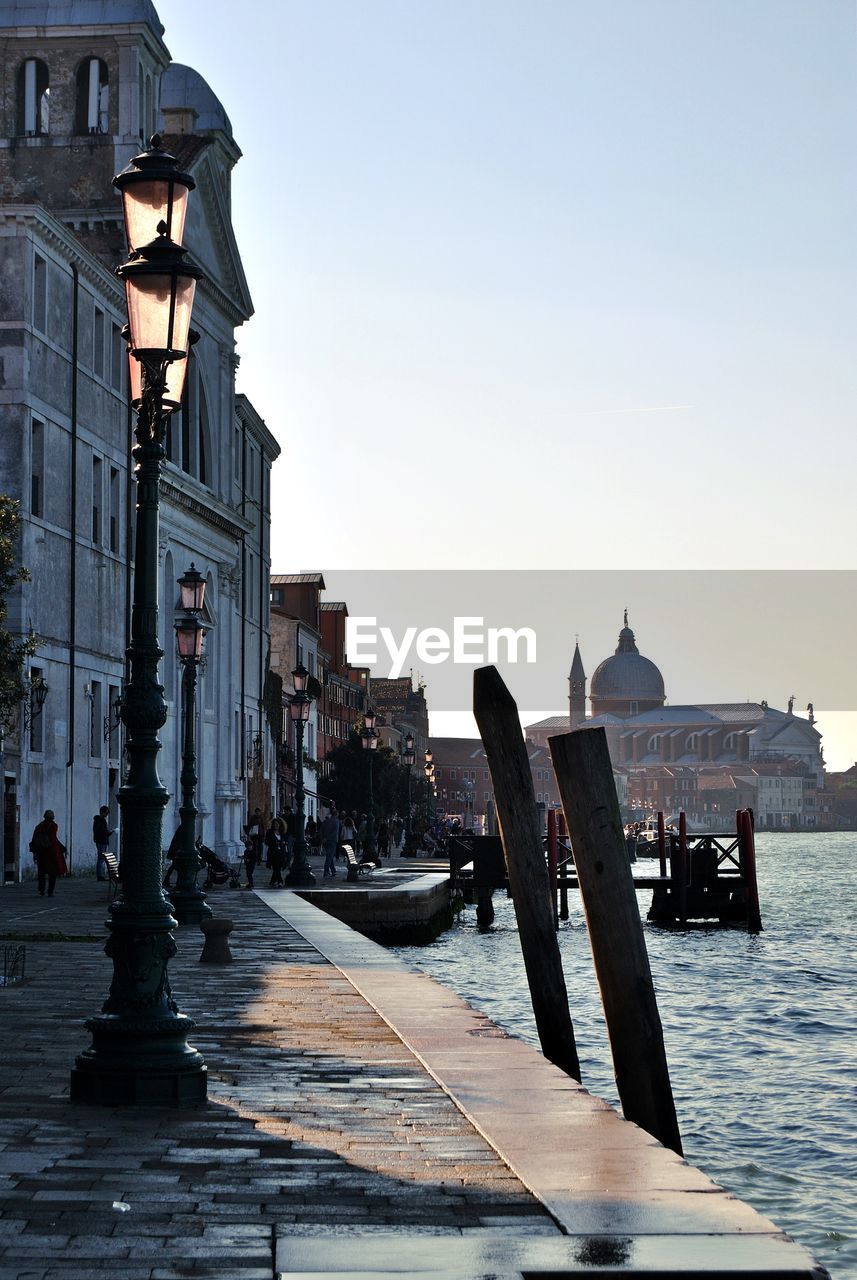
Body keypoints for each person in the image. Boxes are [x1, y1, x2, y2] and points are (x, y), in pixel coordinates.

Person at [29, 809, 67, 897]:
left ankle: (41, 889)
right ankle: (50, 891)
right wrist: (60, 848)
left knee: (41, 872)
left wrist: (35, 851)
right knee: (52, 873)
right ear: (52, 817)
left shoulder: (39, 826)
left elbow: (34, 839)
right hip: (50, 852)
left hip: (41, 852)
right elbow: (53, 839)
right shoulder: (53, 826)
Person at [265, 818, 288, 887]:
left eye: (277, 824)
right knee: (276, 867)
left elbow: (285, 842)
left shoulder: (282, 833)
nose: (276, 826)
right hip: (273, 852)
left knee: (277, 868)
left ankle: (272, 881)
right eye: (274, 824)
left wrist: (283, 843)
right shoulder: (269, 832)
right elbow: (266, 842)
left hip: (281, 853)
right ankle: (280, 881)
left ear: (280, 825)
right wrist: (274, 842)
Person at [92, 805, 113, 881]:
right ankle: (100, 876)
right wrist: (107, 833)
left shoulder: (99, 820)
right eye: (106, 813)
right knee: (101, 858)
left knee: (101, 858)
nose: (107, 815)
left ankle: (100, 875)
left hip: (102, 840)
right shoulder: (99, 821)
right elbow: (99, 832)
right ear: (102, 812)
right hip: (101, 841)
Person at [320, 806, 340, 879]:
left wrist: (323, 838)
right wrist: (328, 838)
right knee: (329, 856)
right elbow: (335, 832)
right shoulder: (336, 821)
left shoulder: (326, 821)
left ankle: (333, 870)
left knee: (329, 856)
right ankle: (326, 871)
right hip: (332, 840)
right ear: (337, 814)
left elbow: (321, 830)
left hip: (325, 840)